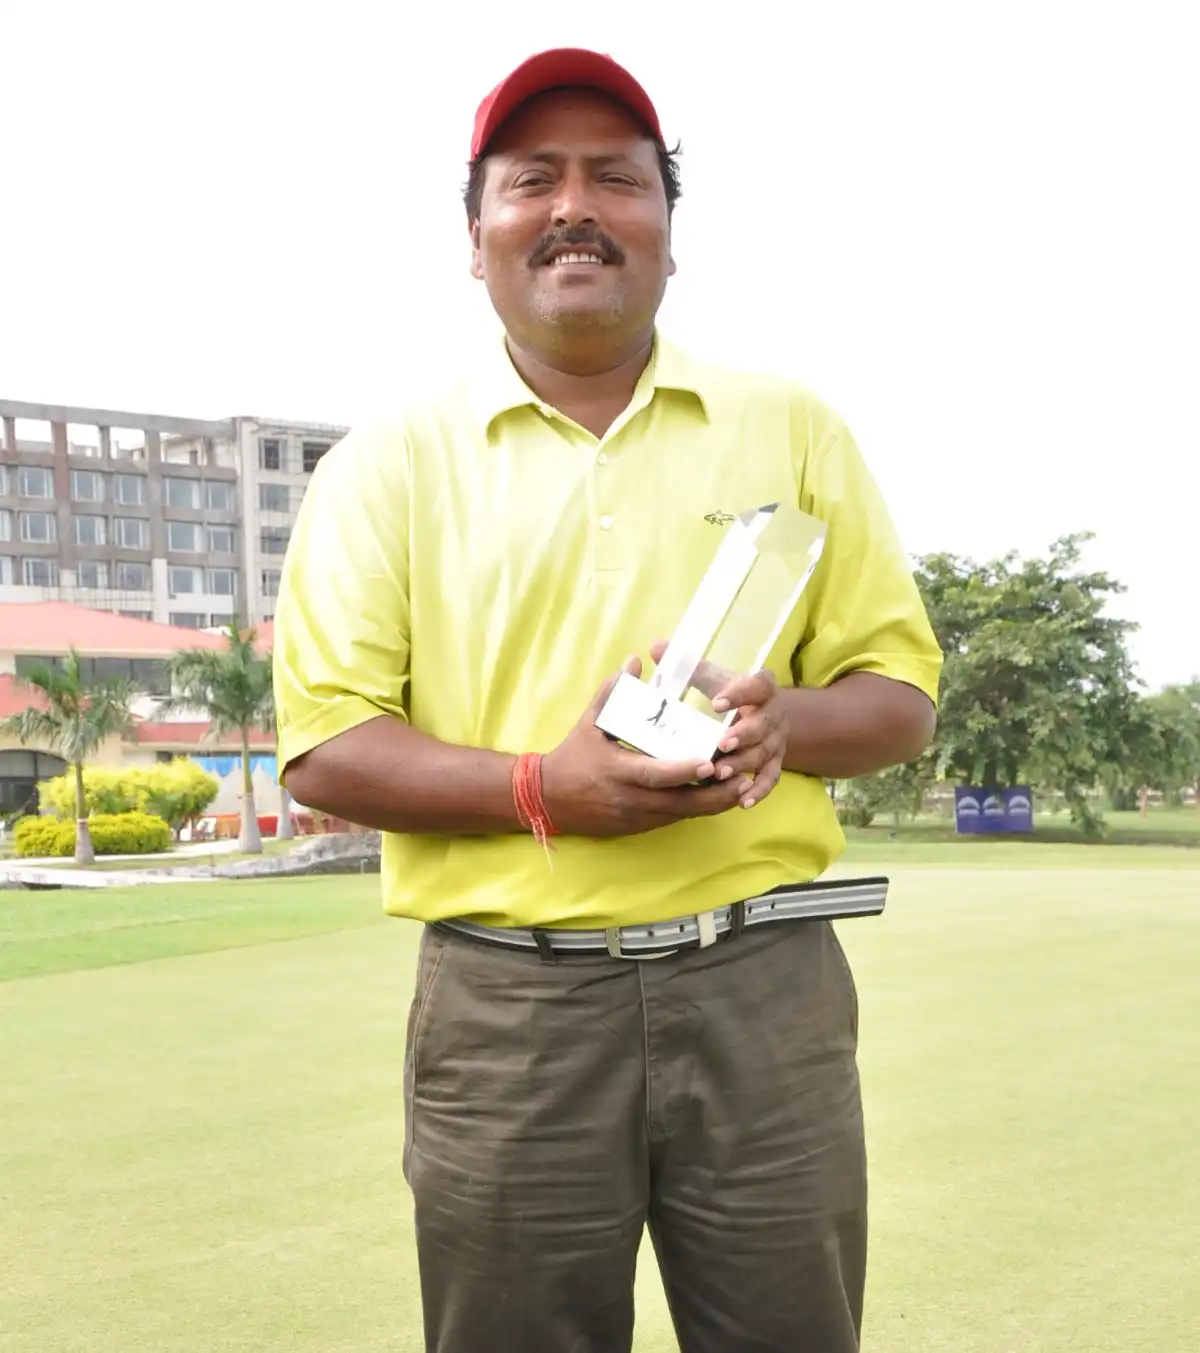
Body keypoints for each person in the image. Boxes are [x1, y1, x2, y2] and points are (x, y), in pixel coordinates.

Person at [272, 46, 943, 1353]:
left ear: (669, 235)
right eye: (534, 179)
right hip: (510, 1011)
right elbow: (325, 747)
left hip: (767, 985)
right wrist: (544, 789)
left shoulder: (791, 426)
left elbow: (900, 695)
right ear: (476, 238)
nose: (576, 204)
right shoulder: (385, 461)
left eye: (617, 178)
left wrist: (785, 724)